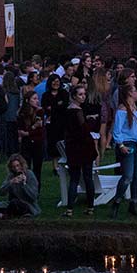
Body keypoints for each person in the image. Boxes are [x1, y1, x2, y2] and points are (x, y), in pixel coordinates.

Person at [111, 83, 137, 218]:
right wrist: (120, 145)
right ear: (130, 93)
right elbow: (117, 129)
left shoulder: (134, 108)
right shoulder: (122, 110)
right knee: (128, 176)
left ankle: (134, 203)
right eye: (136, 90)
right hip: (128, 144)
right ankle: (117, 201)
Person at [61, 85, 97, 217]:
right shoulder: (77, 111)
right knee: (87, 177)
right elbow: (84, 129)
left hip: (72, 147)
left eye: (84, 94)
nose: (83, 96)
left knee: (74, 179)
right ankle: (90, 207)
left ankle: (70, 209)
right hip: (83, 147)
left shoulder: (68, 111)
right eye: (80, 94)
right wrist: (92, 120)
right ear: (74, 96)